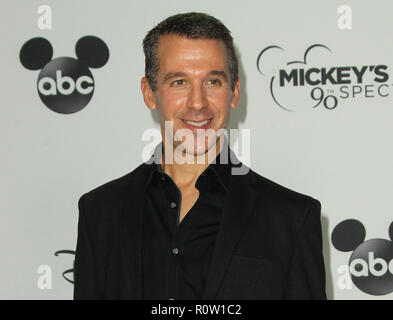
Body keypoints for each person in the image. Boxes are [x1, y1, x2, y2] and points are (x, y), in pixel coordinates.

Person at [73, 12, 326, 300]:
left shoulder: (290, 219)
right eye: (179, 82)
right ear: (149, 93)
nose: (197, 103)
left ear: (234, 92)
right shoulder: (100, 213)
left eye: (213, 82)